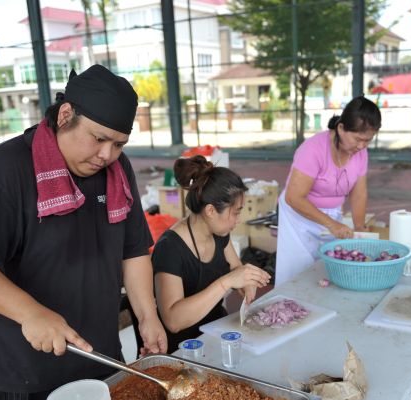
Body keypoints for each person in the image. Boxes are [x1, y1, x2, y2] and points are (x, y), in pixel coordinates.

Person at [0, 65, 167, 400]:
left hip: (97, 355)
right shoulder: (4, 169)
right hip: (20, 368)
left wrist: (148, 316)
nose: (107, 155)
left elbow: (133, 250)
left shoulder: (118, 172)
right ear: (66, 114)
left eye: (119, 144)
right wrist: (31, 313)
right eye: (98, 138)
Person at [152, 156, 272, 350]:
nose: (238, 220)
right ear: (210, 211)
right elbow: (173, 321)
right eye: (235, 212)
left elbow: (235, 267)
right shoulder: (170, 248)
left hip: (216, 331)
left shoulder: (218, 232)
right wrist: (227, 282)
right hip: (185, 348)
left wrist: (246, 282)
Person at [275, 96, 382, 286]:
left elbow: (359, 192)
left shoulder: (360, 152)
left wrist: (359, 226)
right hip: (298, 217)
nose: (362, 146)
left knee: (328, 268)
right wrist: (331, 224)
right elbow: (294, 197)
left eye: (368, 141)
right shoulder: (313, 149)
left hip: (331, 215)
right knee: (298, 272)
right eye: (358, 139)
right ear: (341, 128)